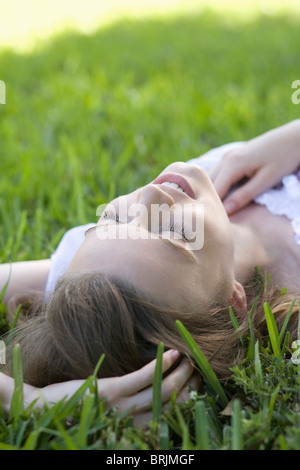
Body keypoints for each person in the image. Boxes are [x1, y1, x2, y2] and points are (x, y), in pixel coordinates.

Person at [1, 119, 300, 423]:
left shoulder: (97, 265)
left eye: (114, 218)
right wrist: (24, 401)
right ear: (232, 303)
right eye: (176, 234)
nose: (151, 196)